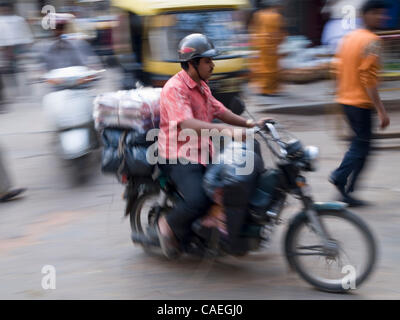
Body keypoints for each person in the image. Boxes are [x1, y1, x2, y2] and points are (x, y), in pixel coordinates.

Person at [157, 33, 269, 258]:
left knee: (231, 180)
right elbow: (186, 123)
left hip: (203, 150)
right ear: (192, 63)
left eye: (211, 60)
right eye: (207, 61)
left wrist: (250, 124)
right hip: (178, 155)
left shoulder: (202, 85)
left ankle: (218, 226)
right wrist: (226, 131)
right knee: (198, 199)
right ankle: (167, 224)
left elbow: (220, 110)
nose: (212, 65)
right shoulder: (174, 88)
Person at [329, 0, 390, 207]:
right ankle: (340, 176)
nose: (382, 18)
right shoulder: (373, 41)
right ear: (366, 15)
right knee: (360, 146)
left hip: (346, 100)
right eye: (378, 14)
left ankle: (348, 190)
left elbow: (336, 67)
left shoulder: (349, 37)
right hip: (360, 103)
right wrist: (381, 110)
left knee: (363, 146)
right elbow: (368, 78)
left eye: (383, 14)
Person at [248, 0, 286, 96]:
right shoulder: (276, 16)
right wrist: (280, 40)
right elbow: (279, 32)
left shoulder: (258, 15)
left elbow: (253, 29)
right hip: (270, 46)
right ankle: (269, 89)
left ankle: (261, 87)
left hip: (260, 45)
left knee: (260, 66)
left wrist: (254, 41)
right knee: (270, 68)